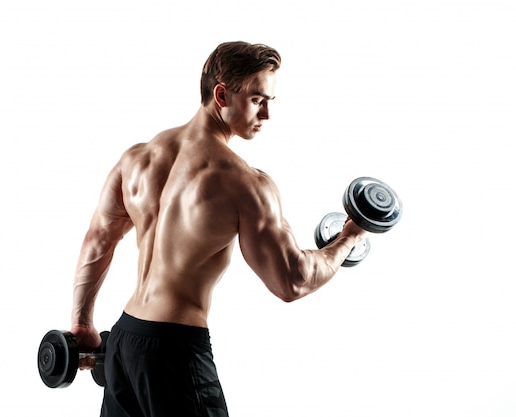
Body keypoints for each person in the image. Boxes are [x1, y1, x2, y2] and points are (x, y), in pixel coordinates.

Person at [69, 41, 369, 416]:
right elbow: (291, 281)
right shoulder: (243, 183)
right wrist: (347, 239)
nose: (268, 114)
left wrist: (81, 323)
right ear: (222, 95)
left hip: (125, 343)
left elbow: (98, 240)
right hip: (175, 350)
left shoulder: (137, 159)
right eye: (259, 100)